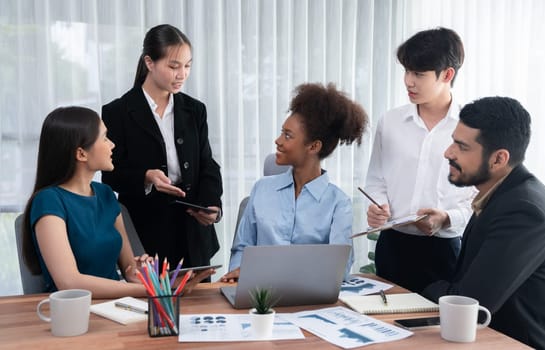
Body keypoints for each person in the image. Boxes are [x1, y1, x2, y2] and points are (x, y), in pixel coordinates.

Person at [422, 96, 545, 349]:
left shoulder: (524, 211)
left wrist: (428, 288)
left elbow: (470, 305)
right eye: (453, 142)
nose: (448, 153)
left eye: (462, 146)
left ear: (498, 159)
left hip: (521, 343)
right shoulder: (501, 194)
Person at [21, 107, 214, 298]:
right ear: (81, 154)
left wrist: (154, 277)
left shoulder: (106, 195)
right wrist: (155, 290)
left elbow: (130, 269)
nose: (112, 145)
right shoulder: (48, 201)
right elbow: (69, 282)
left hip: (115, 308)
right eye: (105, 138)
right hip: (72, 313)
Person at [102, 24, 223, 270]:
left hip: (193, 234)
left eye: (187, 65)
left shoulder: (194, 109)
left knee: (198, 307)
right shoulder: (117, 112)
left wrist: (212, 205)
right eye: (173, 66)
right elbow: (110, 175)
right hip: (146, 233)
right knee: (152, 306)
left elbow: (207, 164)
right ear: (149, 62)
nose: (182, 74)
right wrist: (146, 177)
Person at [364, 27, 476, 292]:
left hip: (443, 251)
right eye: (406, 71)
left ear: (447, 74)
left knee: (434, 329)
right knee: (385, 326)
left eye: (418, 74)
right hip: (392, 246)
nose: (408, 81)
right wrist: (378, 206)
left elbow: (477, 199)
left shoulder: (470, 128)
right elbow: (376, 179)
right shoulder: (390, 121)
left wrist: (447, 218)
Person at [221, 83, 368, 282]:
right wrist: (237, 275)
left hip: (310, 301)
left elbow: (338, 270)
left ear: (314, 146)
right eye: (282, 132)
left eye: (288, 136)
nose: (278, 141)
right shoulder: (262, 189)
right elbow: (241, 249)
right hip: (259, 297)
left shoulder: (338, 203)